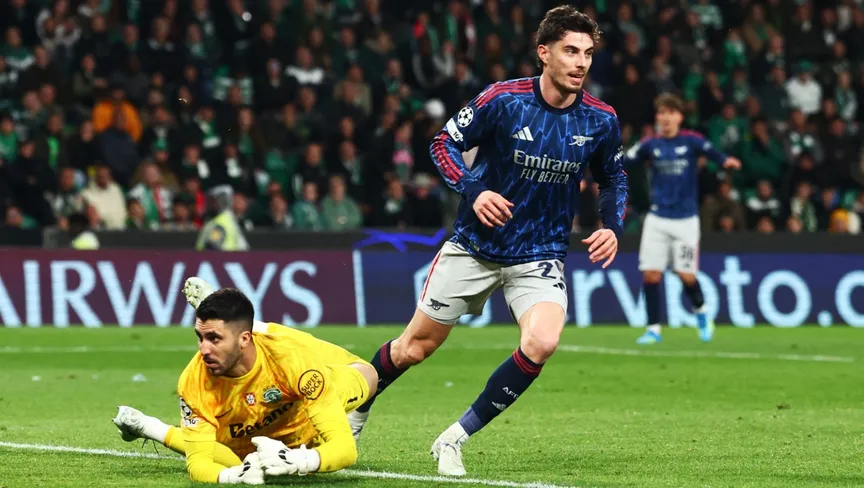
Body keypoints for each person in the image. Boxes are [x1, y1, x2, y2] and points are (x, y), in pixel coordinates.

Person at [346, 6, 628, 477]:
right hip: (475, 248)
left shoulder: (600, 119)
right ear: (544, 53)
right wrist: (474, 190)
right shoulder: (503, 100)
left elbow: (614, 177)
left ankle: (454, 438)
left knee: (543, 341)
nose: (581, 62)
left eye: (587, 53)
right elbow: (443, 144)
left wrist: (611, 225)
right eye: (570, 51)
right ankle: (356, 409)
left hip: (539, 254)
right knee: (412, 349)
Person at [111, 278, 377, 484]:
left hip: (304, 418)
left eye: (214, 338)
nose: (203, 350)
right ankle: (147, 426)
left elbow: (345, 451)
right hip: (245, 439)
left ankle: (258, 327)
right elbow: (199, 463)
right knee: (229, 459)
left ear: (244, 339)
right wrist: (233, 477)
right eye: (200, 337)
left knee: (369, 375)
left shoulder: (292, 360)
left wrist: (297, 460)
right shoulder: (194, 380)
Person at [624, 94, 741, 344]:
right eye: (661, 113)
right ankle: (653, 329)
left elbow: (712, 152)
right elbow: (625, 160)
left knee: (685, 274)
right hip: (657, 219)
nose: (665, 118)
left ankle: (701, 311)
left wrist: (725, 161)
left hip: (685, 221)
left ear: (679, 117)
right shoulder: (649, 144)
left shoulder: (691, 140)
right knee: (651, 275)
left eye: (671, 113)